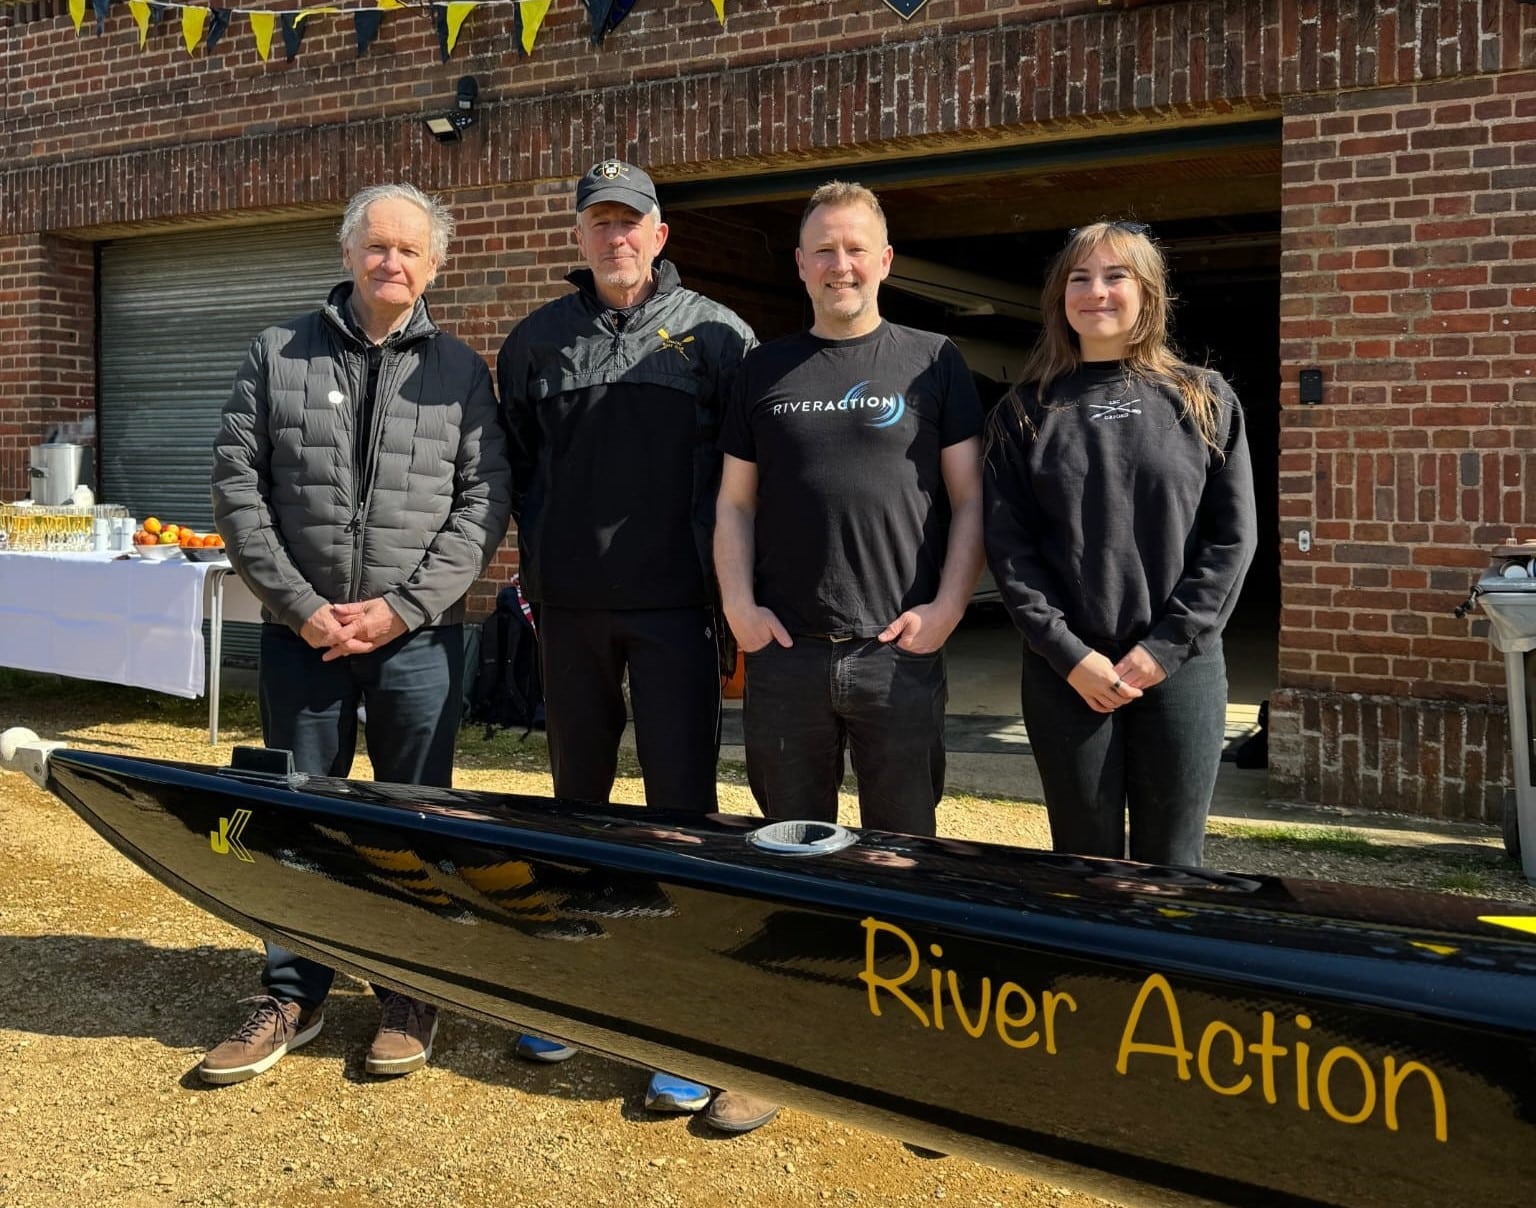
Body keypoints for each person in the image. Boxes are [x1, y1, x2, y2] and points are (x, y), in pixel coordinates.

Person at [203, 182, 512, 1084]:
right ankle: (293, 991)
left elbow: (484, 503)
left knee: (416, 816)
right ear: (346, 254)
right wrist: (301, 606)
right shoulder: (276, 352)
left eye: (411, 250)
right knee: (300, 813)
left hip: (419, 643)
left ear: (434, 266)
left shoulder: (461, 371)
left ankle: (410, 988)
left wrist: (401, 609)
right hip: (303, 636)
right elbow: (237, 485)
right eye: (377, 247)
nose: (392, 263)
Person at [495, 159, 765, 1131]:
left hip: (675, 613)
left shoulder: (719, 337)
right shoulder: (533, 343)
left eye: (631, 222)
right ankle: (578, 990)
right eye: (598, 221)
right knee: (577, 801)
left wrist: (741, 596)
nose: (615, 237)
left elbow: (752, 477)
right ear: (578, 236)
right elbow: (516, 470)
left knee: (681, 809)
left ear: (660, 233)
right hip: (570, 610)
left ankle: (684, 1026)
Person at [982, 220, 1256, 868]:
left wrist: (1164, 649)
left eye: (1115, 276)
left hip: (1180, 669)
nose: (1096, 292)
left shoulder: (1202, 398)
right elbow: (1010, 550)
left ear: (1148, 294)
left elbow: (1232, 537)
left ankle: (1166, 971)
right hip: (1067, 676)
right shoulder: (1024, 413)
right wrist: (1070, 655)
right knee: (1082, 861)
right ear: (1059, 298)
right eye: (1079, 278)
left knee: (1174, 863)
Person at [716, 179, 985, 839]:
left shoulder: (934, 361)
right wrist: (738, 608)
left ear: (886, 259)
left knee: (902, 846)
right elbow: (733, 503)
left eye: (856, 249)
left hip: (897, 652)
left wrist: (949, 608)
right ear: (802, 264)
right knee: (790, 843)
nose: (842, 266)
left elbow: (972, 498)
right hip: (785, 654)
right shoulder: (762, 370)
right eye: (825, 250)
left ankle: (898, 946)